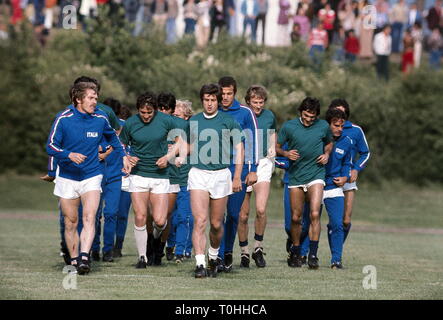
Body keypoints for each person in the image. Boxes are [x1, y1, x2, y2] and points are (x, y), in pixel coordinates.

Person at [46, 81, 128, 275]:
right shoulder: (63, 119)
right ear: (78, 99)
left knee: (90, 217)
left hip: (92, 174)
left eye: (96, 98)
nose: (94, 101)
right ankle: (73, 260)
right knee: (70, 222)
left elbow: (113, 137)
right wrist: (68, 155)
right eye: (91, 98)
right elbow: (50, 146)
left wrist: (123, 156)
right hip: (67, 177)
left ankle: (84, 258)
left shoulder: (100, 117)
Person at [119, 91, 185, 269]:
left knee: (160, 221)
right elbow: (121, 144)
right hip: (138, 174)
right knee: (140, 216)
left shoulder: (166, 121)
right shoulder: (131, 123)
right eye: (142, 112)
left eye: (149, 112)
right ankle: (142, 257)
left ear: (155, 110)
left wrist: (169, 156)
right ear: (138, 110)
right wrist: (127, 157)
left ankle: (155, 241)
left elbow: (181, 141)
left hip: (160, 176)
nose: (146, 116)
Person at [188, 83, 244, 278]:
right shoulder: (194, 121)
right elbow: (188, 145)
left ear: (218, 101)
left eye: (213, 100)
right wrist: (176, 156)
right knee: (200, 220)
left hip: (221, 175)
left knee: (216, 224)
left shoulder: (228, 121)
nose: (209, 103)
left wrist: (237, 176)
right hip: (198, 174)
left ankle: (213, 256)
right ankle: (200, 263)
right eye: (206, 100)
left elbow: (240, 149)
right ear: (202, 100)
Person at [276, 97, 333, 269]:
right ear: (301, 111)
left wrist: (327, 154)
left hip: (316, 174)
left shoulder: (323, 126)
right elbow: (276, 147)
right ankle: (296, 249)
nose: (309, 119)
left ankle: (313, 255)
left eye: (312, 117)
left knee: (315, 214)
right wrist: (286, 154)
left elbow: (329, 143)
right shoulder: (289, 126)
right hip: (296, 176)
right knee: (296, 218)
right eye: (306, 115)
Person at [299, 108, 353, 269]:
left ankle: (336, 260)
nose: (339, 129)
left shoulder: (347, 141)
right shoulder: (317, 137)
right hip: (315, 184)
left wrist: (345, 177)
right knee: (309, 221)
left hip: (334, 188)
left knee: (337, 224)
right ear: (328, 124)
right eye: (336, 125)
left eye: (342, 126)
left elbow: (347, 164)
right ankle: (302, 253)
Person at [217, 76, 258, 273]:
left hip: (238, 169)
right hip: (214, 168)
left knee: (233, 214)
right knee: (216, 215)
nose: (225, 97)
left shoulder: (245, 112)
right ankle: (216, 254)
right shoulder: (212, 110)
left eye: (229, 94)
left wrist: (253, 170)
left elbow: (253, 141)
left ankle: (226, 252)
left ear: (235, 93)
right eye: (222, 93)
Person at [237, 85, 276, 268]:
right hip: (244, 164)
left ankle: (258, 248)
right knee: (243, 215)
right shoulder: (243, 115)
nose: (258, 106)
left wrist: (273, 152)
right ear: (248, 102)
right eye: (255, 102)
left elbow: (272, 135)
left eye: (261, 102)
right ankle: (244, 251)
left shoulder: (269, 116)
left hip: (263, 164)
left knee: (260, 209)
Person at [328, 98, 370, 248]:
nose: (339, 115)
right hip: (326, 177)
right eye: (336, 112)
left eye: (342, 112)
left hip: (348, 177)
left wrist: (356, 169)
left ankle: (335, 249)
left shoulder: (356, 130)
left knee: (345, 220)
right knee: (314, 215)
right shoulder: (324, 129)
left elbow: (366, 153)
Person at [167, 100, 195, 263]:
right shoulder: (167, 129)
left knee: (185, 216)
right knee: (170, 216)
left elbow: (197, 146)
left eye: (177, 116)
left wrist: (179, 148)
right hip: (168, 177)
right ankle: (169, 246)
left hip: (185, 176)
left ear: (186, 117)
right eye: (173, 115)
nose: (174, 119)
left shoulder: (191, 128)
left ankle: (182, 249)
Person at [113, 105, 133, 258]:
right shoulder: (130, 127)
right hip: (126, 176)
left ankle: (103, 247)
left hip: (117, 174)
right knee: (122, 214)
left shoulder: (120, 127)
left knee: (110, 214)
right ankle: (117, 247)